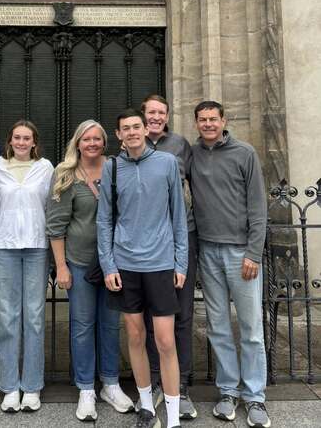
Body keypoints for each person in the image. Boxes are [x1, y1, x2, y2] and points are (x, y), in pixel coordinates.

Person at [97, 109, 188, 428]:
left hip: (161, 263)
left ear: (145, 130)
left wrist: (180, 261)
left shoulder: (166, 163)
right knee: (135, 337)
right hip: (126, 264)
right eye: (126, 128)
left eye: (137, 126)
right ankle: (147, 407)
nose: (133, 132)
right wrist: (108, 264)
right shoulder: (112, 168)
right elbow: (104, 219)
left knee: (165, 340)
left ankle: (173, 416)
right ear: (119, 134)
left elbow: (178, 214)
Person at [46, 120, 134, 421]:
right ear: (78, 143)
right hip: (79, 261)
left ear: (104, 142)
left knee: (110, 324)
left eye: (97, 139)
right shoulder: (65, 174)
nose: (92, 143)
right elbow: (56, 225)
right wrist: (61, 267)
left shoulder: (117, 168)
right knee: (82, 325)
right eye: (87, 139)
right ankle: (86, 388)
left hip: (114, 262)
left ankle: (110, 383)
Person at [190, 101, 270, 428]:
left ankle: (255, 396)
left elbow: (258, 207)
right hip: (208, 250)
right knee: (218, 326)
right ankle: (227, 391)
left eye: (213, 119)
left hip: (241, 253)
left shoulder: (244, 153)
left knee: (251, 329)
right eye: (203, 119)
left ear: (224, 120)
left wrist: (254, 252)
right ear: (196, 123)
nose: (208, 124)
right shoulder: (192, 155)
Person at [0, 120, 53, 413]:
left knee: (35, 316)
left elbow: (51, 204)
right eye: (17, 137)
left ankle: (32, 385)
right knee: (7, 316)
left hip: (37, 246)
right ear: (10, 141)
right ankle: (10, 386)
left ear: (34, 142)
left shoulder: (45, 168)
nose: (22, 142)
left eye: (27, 138)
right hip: (6, 246)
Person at [140, 95, 197, 421]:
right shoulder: (132, 144)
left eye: (161, 113)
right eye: (151, 112)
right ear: (143, 115)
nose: (156, 117)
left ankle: (182, 385)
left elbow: (195, 186)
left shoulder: (180, 145)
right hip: (148, 241)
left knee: (183, 313)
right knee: (152, 316)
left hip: (181, 234)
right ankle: (155, 381)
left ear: (167, 116)